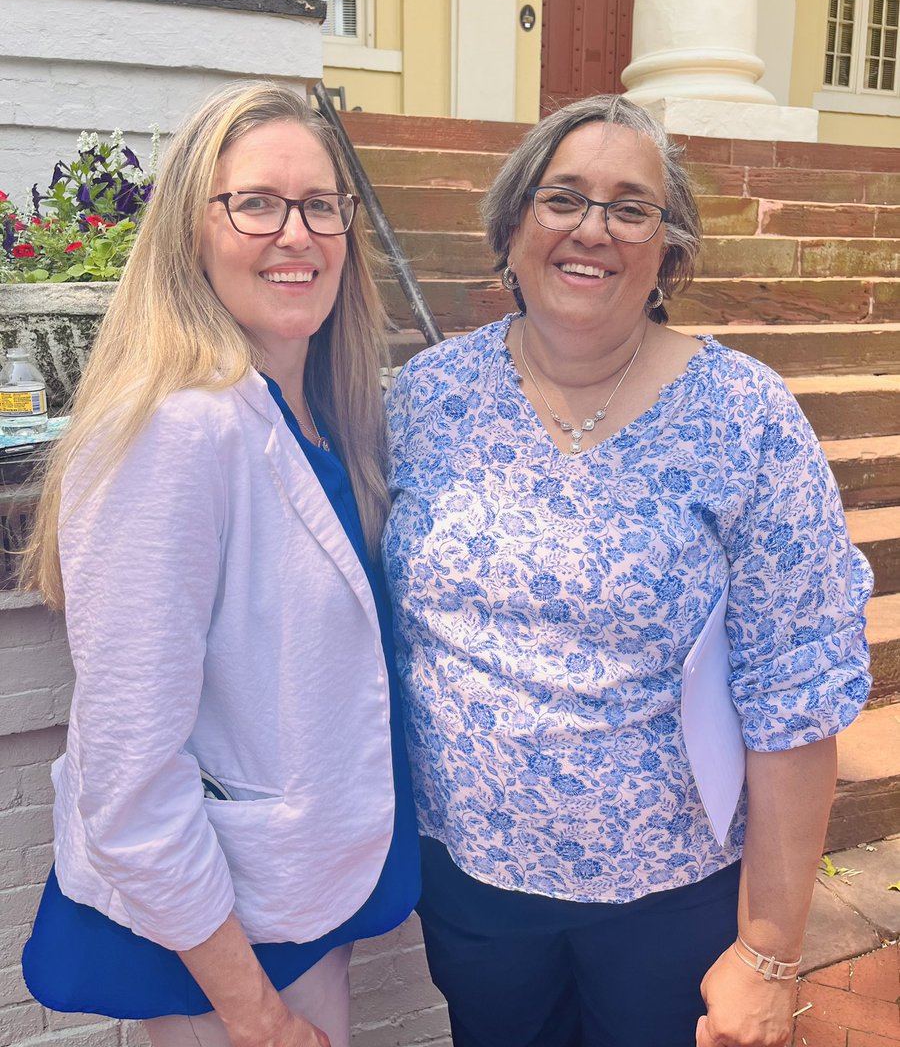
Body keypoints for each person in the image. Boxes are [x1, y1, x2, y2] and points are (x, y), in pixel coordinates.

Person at [382, 95, 872, 1047]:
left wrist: (769, 951)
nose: (590, 229)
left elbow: (798, 687)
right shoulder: (427, 396)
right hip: (470, 882)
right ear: (514, 225)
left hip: (670, 897)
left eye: (630, 206)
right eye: (562, 197)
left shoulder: (745, 418)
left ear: (667, 249)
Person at [20, 81, 419, 1047]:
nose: (298, 233)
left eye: (322, 204)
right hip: (228, 952)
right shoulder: (173, 431)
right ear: (188, 233)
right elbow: (130, 778)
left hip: (301, 893)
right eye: (255, 203)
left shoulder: (321, 411)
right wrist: (256, 1016)